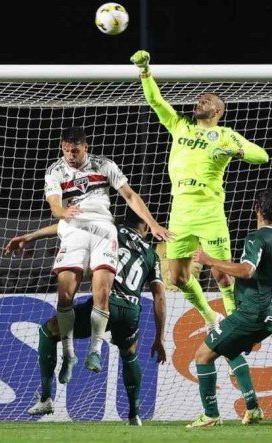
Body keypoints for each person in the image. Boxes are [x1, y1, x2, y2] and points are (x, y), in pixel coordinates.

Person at [130, 50, 269, 329]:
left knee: (223, 276)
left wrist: (237, 150)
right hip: (180, 211)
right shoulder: (181, 125)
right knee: (179, 278)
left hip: (210, 212)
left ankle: (236, 324)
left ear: (218, 111)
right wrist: (145, 70)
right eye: (199, 99)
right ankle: (209, 317)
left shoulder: (226, 134)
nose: (199, 101)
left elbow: (261, 156)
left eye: (206, 100)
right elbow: (154, 100)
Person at [5, 208, 167, 426]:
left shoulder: (108, 229)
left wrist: (31, 236)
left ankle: (45, 398)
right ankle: (134, 415)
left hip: (105, 303)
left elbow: (69, 226)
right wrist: (160, 337)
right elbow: (159, 298)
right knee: (129, 354)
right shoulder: (152, 254)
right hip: (131, 310)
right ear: (146, 226)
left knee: (48, 330)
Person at [44, 126, 171, 381]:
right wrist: (62, 213)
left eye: (76, 150)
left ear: (85, 147)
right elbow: (55, 204)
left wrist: (153, 223)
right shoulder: (55, 171)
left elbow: (129, 195)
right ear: (62, 148)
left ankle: (95, 349)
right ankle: (69, 353)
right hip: (74, 229)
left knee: (101, 292)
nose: (70, 155)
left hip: (103, 230)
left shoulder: (104, 165)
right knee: (65, 297)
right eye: (66, 150)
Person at [187, 189, 272, 427]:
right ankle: (253, 409)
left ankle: (211, 415)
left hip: (252, 313)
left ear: (257, 209)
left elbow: (247, 270)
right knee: (230, 350)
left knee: (202, 356)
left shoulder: (256, 238)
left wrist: (209, 260)